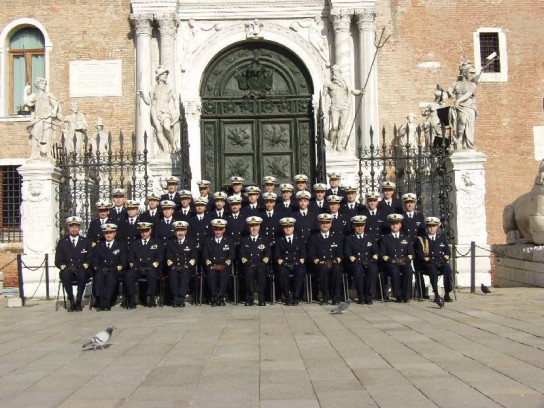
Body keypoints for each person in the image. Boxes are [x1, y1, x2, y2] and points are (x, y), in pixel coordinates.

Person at [138, 65, 179, 153]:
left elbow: (175, 99)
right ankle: (165, 150)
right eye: (164, 74)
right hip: (155, 111)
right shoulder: (153, 88)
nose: (166, 76)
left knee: (167, 128)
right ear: (159, 76)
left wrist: (177, 111)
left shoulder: (170, 87)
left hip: (166, 111)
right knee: (159, 130)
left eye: (166, 74)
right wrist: (143, 96)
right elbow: (150, 101)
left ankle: (173, 146)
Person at [54, 216, 92, 312]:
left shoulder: (86, 241)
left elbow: (90, 258)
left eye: (76, 227)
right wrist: (66, 267)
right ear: (68, 228)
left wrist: (83, 266)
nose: (74, 229)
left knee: (82, 274)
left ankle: (78, 302)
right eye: (72, 227)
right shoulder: (62, 242)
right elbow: (58, 260)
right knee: (65, 275)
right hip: (68, 269)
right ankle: (71, 301)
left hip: (82, 269)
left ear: (79, 228)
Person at [322, 65, 363, 151]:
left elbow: (354, 91)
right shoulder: (329, 83)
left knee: (342, 126)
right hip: (334, 107)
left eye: (335, 71)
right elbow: (324, 95)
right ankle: (331, 143)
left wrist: (361, 91)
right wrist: (325, 88)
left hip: (345, 107)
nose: (334, 73)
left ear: (339, 72)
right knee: (334, 126)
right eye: (332, 71)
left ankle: (339, 145)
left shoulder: (345, 84)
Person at [414, 217, 454, 302]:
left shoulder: (441, 239)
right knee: (432, 269)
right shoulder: (421, 239)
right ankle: (436, 293)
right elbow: (421, 255)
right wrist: (432, 261)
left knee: (447, 268)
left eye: (433, 226)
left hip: (439, 262)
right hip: (427, 263)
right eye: (429, 226)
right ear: (427, 227)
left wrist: (442, 261)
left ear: (437, 227)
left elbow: (447, 253)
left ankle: (447, 293)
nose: (431, 228)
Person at [307, 213, 344, 305]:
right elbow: (311, 255)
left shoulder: (336, 237)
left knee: (337, 269)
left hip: (333, 263)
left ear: (330, 224)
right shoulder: (313, 238)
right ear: (319, 224)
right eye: (323, 223)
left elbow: (340, 253)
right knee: (323, 268)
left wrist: (336, 260)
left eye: (327, 223)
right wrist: (319, 261)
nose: (325, 225)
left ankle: (335, 296)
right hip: (320, 264)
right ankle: (325, 295)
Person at [126, 222, 164, 307]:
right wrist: (136, 267)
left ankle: (151, 299)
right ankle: (131, 300)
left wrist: (151, 266)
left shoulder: (156, 242)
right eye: (142, 231)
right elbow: (131, 257)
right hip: (138, 268)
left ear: (150, 231)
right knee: (129, 275)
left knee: (152, 274)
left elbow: (159, 257)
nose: (144, 233)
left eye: (146, 231)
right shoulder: (135, 243)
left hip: (151, 268)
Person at [90, 223, 126, 311]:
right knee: (98, 276)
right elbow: (94, 260)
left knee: (111, 276)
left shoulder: (120, 245)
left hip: (114, 270)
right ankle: (100, 300)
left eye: (110, 232)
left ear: (114, 234)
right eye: (106, 233)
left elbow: (123, 262)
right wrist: (97, 267)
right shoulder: (99, 246)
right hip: (102, 269)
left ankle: (107, 302)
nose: (108, 235)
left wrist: (117, 268)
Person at [379, 214, 414, 303]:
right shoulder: (385, 238)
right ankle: (398, 295)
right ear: (390, 225)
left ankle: (406, 295)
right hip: (391, 263)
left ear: (400, 225)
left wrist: (404, 260)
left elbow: (411, 254)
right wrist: (393, 260)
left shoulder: (406, 238)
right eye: (392, 224)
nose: (395, 226)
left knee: (409, 270)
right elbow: (382, 254)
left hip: (403, 262)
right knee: (395, 271)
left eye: (397, 223)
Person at [344, 215, 379, 304]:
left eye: (361, 225)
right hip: (356, 262)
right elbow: (348, 253)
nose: (360, 228)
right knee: (358, 270)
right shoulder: (349, 238)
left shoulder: (370, 236)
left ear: (364, 226)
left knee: (373, 269)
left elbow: (375, 251)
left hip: (369, 261)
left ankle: (368, 295)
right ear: (353, 226)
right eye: (357, 225)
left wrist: (372, 259)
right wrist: (355, 260)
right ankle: (361, 295)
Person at [24, 77, 62, 160]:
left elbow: (55, 104)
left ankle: (47, 154)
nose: (44, 84)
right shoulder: (35, 96)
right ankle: (34, 155)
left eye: (45, 83)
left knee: (47, 136)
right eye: (42, 83)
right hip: (38, 118)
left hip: (47, 117)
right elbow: (29, 105)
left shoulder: (48, 94)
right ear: (37, 84)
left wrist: (54, 111)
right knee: (35, 135)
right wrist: (25, 92)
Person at [202, 219, 235, 306]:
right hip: (212, 265)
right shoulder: (208, 240)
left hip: (224, 265)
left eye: (220, 229)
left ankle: (221, 296)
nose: (218, 232)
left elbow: (231, 255)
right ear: (213, 229)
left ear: (223, 230)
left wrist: (224, 265)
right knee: (211, 274)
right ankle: (214, 297)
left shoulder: (229, 240)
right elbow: (205, 255)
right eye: (216, 229)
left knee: (223, 274)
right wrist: (211, 265)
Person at [274, 217, 306, 305]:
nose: (287, 228)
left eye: (289, 226)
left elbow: (303, 254)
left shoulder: (300, 239)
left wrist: (296, 263)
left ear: (293, 228)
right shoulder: (279, 240)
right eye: (285, 227)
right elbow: (277, 256)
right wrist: (285, 263)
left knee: (301, 271)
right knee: (282, 273)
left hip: (296, 263)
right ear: (283, 228)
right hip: (284, 264)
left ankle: (296, 296)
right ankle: (287, 296)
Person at [239, 216, 271, 306]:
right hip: (249, 264)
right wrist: (248, 263)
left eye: (256, 226)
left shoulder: (264, 239)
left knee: (261, 271)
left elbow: (268, 254)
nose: (254, 228)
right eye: (251, 226)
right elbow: (242, 254)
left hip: (261, 264)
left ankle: (261, 297)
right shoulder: (244, 240)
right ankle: (249, 297)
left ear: (259, 227)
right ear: (249, 227)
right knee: (248, 272)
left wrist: (262, 263)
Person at [447, 60, 478, 150]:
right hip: (459, 107)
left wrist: (458, 101)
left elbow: (468, 94)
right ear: (464, 72)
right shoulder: (455, 84)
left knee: (466, 123)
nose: (472, 75)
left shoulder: (472, 84)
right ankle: (459, 138)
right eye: (470, 73)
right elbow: (449, 91)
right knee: (462, 120)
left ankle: (466, 141)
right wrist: (448, 93)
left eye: (473, 73)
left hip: (468, 106)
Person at [165, 221, 198, 307]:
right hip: (175, 267)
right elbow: (168, 257)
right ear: (175, 232)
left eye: (182, 230)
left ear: (186, 231)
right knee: (173, 274)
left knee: (185, 274)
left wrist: (187, 266)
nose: (180, 233)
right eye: (178, 230)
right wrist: (173, 266)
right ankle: (176, 297)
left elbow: (194, 257)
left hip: (187, 267)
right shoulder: (170, 242)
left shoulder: (191, 242)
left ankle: (181, 298)